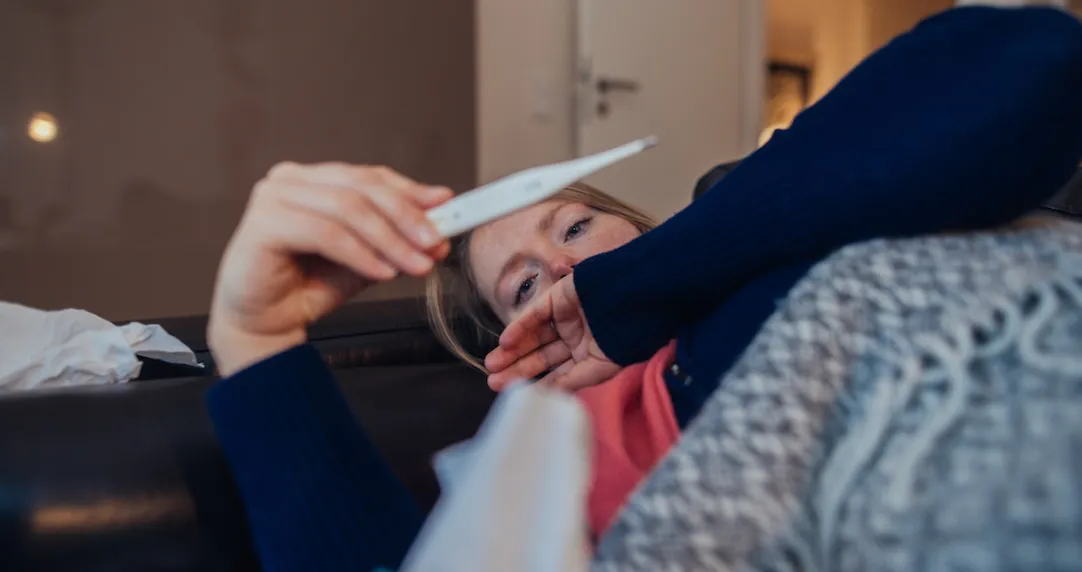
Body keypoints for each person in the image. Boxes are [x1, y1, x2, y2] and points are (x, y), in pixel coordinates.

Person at [205, 6, 1082, 572]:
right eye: (527, 286)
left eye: (578, 230)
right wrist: (255, 338)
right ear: (512, 354)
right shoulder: (555, 452)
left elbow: (1034, 61)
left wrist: (641, 287)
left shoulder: (753, 217)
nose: (568, 271)